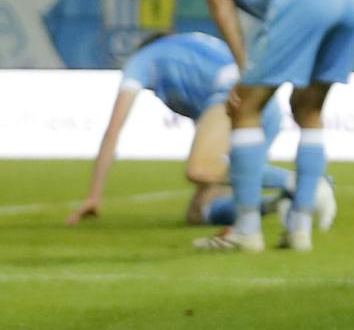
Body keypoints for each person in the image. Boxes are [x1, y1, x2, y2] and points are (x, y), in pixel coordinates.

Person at [155, 0, 354, 253]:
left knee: (245, 107)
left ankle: (246, 230)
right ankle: (299, 228)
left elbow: (218, 1)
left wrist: (243, 67)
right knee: (308, 109)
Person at [66, 31, 326, 231]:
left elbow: (113, 130)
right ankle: (275, 203)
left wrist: (93, 195)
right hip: (264, 103)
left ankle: (305, 182)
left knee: (200, 169)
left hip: (233, 100)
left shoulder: (141, 60)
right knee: (199, 211)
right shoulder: (191, 47)